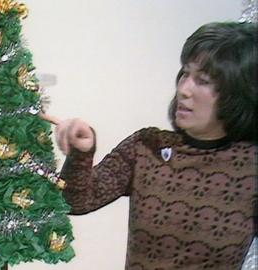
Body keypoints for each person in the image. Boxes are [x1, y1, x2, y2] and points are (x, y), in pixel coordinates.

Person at [52, 22, 257, 269]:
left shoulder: (251, 166)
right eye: (184, 73)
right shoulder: (147, 146)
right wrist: (82, 152)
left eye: (202, 80)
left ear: (238, 93)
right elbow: (74, 201)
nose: (183, 89)